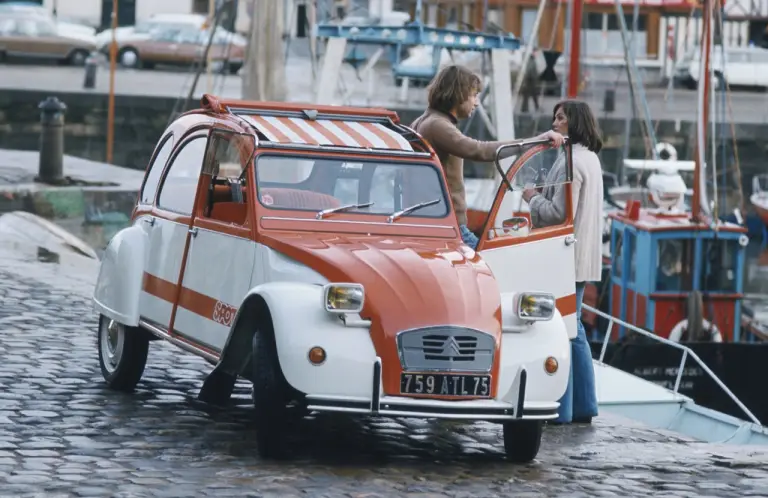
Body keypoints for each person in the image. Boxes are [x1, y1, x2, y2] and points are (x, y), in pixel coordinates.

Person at [411, 64, 565, 250]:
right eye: (474, 95)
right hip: (451, 227)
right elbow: (480, 150)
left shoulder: (423, 121)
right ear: (458, 94)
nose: (477, 103)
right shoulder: (438, 126)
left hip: (440, 222)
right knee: (494, 269)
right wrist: (535, 141)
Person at [521, 99, 603, 424]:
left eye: (560, 118)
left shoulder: (568, 161)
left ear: (573, 123)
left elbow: (558, 213)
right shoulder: (591, 159)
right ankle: (584, 405)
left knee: (565, 330)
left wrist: (532, 198)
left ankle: (562, 410)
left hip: (564, 257)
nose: (555, 123)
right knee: (576, 328)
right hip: (583, 256)